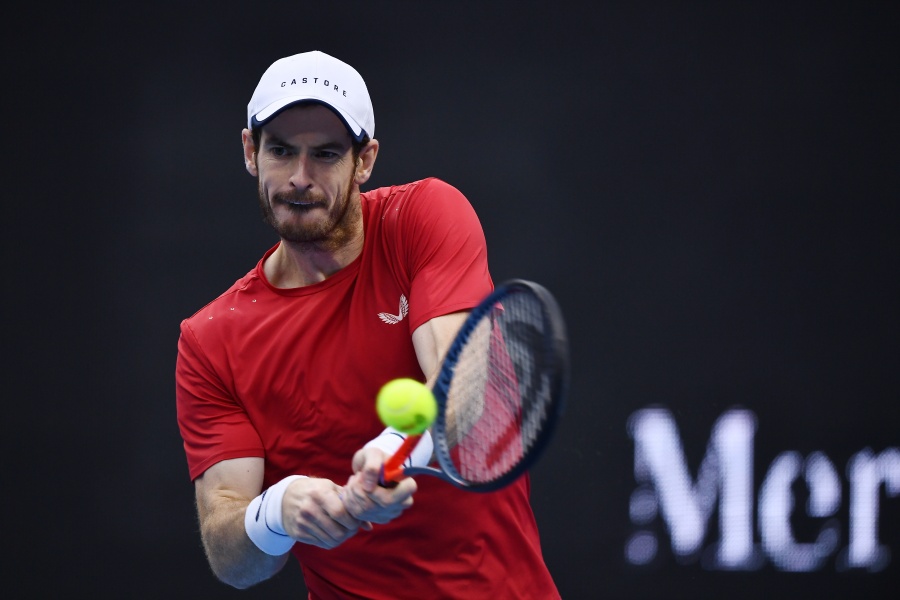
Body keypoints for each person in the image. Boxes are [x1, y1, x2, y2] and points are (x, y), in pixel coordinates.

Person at [175, 49, 560, 599]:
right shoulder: (211, 339)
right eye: (281, 151)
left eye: (326, 154)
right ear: (249, 152)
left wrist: (396, 448)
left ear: (365, 160)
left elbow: (462, 386)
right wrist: (277, 512)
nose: (299, 178)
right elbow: (232, 559)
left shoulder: (423, 218)